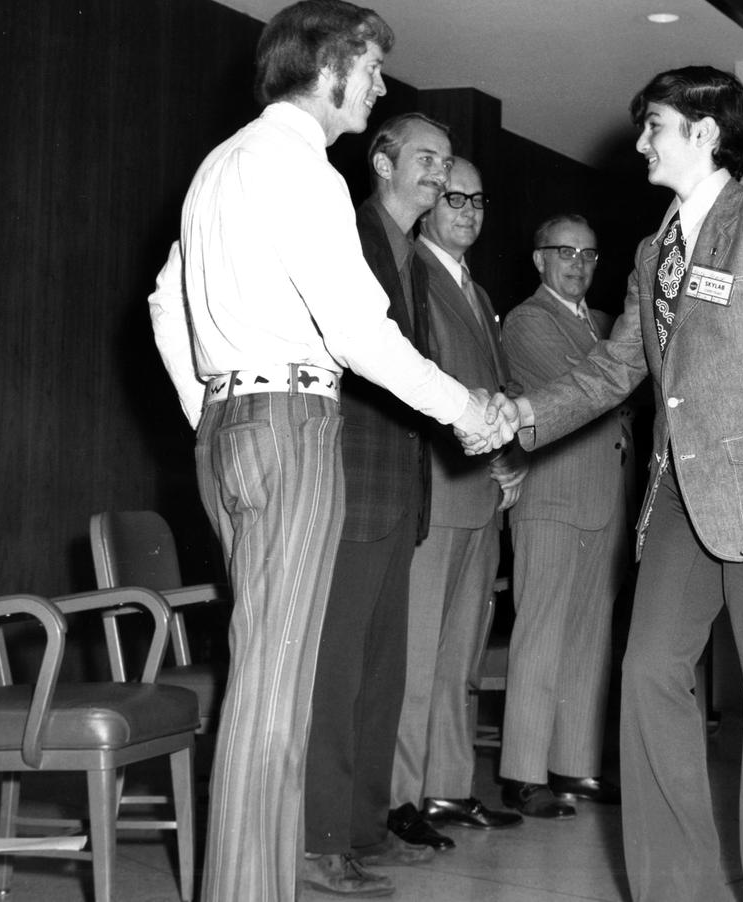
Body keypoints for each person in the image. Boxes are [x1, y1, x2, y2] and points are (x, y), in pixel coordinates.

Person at [165, 0, 514, 902]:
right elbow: (359, 331)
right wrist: (463, 409)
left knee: (269, 667)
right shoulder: (305, 168)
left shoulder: (219, 164)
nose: (381, 84)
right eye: (370, 68)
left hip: (233, 429)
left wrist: (207, 408)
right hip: (290, 427)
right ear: (328, 68)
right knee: (276, 687)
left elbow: (168, 304)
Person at [508, 66, 743, 901]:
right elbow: (616, 369)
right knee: (650, 670)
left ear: (703, 131)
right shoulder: (656, 252)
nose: (641, 141)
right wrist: (517, 415)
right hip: (678, 506)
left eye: (654, 125)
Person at [300, 113, 460, 897]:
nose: (439, 173)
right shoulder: (348, 232)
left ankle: (363, 828)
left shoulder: (421, 265)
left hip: (401, 490)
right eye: (425, 158)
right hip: (350, 481)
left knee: (381, 674)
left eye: (447, 162)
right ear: (383, 160)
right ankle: (319, 839)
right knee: (335, 674)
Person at [388, 158, 527, 847]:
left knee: (461, 654)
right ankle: (400, 795)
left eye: (478, 199)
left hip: (480, 489)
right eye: (453, 197)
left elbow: (491, 385)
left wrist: (507, 459)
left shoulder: (474, 289)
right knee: (418, 653)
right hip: (437, 486)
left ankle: (447, 786)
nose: (468, 210)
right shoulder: (412, 271)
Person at [497, 213, 633, 820]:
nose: (578, 264)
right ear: (538, 260)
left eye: (589, 254)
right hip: (552, 495)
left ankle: (574, 766)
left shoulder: (605, 324)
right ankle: (523, 774)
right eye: (564, 251)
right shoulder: (528, 321)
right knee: (542, 631)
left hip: (606, 495)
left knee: (589, 637)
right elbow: (582, 388)